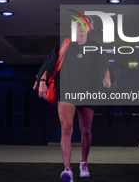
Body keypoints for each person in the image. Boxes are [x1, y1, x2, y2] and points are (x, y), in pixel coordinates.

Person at [37, 15, 112, 182]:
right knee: (66, 129)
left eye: (84, 25)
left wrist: (106, 77)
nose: (80, 28)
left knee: (86, 130)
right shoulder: (64, 45)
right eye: (77, 24)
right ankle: (67, 169)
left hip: (88, 91)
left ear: (89, 28)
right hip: (67, 91)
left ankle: (83, 163)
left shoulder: (96, 47)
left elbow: (105, 66)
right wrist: (42, 81)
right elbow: (49, 63)